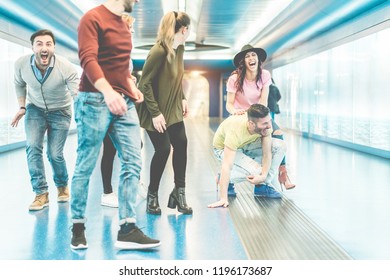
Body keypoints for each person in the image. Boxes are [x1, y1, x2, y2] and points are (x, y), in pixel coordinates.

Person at [70, 0, 160, 250]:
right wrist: (108, 92)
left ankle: (128, 227)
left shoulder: (123, 24)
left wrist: (129, 87)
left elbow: (119, 66)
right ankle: (78, 225)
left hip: (124, 101)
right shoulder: (92, 18)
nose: (138, 1)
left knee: (133, 160)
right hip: (94, 100)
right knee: (85, 164)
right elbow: (88, 59)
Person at [11, 29, 79, 211]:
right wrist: (22, 106)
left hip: (61, 111)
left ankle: (62, 185)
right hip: (35, 109)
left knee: (54, 154)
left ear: (53, 47)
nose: (44, 47)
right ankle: (41, 193)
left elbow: (76, 94)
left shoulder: (65, 67)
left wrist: (84, 115)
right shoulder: (21, 64)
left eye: (48, 44)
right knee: (33, 148)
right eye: (39, 43)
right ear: (33, 47)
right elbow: (19, 84)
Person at [136, 11, 192, 215]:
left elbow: (175, 78)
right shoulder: (159, 51)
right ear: (184, 30)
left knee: (182, 143)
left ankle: (179, 193)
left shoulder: (180, 49)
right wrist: (156, 113)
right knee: (162, 150)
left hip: (173, 106)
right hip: (154, 110)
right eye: (188, 29)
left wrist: (183, 97)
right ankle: (152, 195)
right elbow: (145, 84)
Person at [226, 44, 295, 190]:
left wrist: (260, 117)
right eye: (247, 56)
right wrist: (235, 112)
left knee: (277, 134)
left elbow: (263, 100)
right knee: (241, 145)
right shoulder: (235, 78)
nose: (251, 58)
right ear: (243, 62)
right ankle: (226, 177)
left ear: (258, 59)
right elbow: (229, 105)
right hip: (241, 115)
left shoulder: (265, 75)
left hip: (258, 113)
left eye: (253, 55)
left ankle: (282, 173)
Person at [208, 104, 286, 208]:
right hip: (223, 148)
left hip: (247, 144)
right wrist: (223, 198)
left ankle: (263, 186)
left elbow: (267, 153)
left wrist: (263, 177)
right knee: (257, 172)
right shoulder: (235, 130)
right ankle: (223, 178)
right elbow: (227, 165)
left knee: (280, 146)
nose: (269, 126)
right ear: (251, 123)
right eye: (264, 123)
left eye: (269, 121)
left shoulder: (267, 127)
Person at [100, 14, 136, 208]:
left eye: (132, 30)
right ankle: (107, 192)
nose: (131, 32)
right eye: (128, 29)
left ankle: (129, 186)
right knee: (110, 150)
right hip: (108, 108)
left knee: (133, 146)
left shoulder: (126, 54)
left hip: (123, 108)